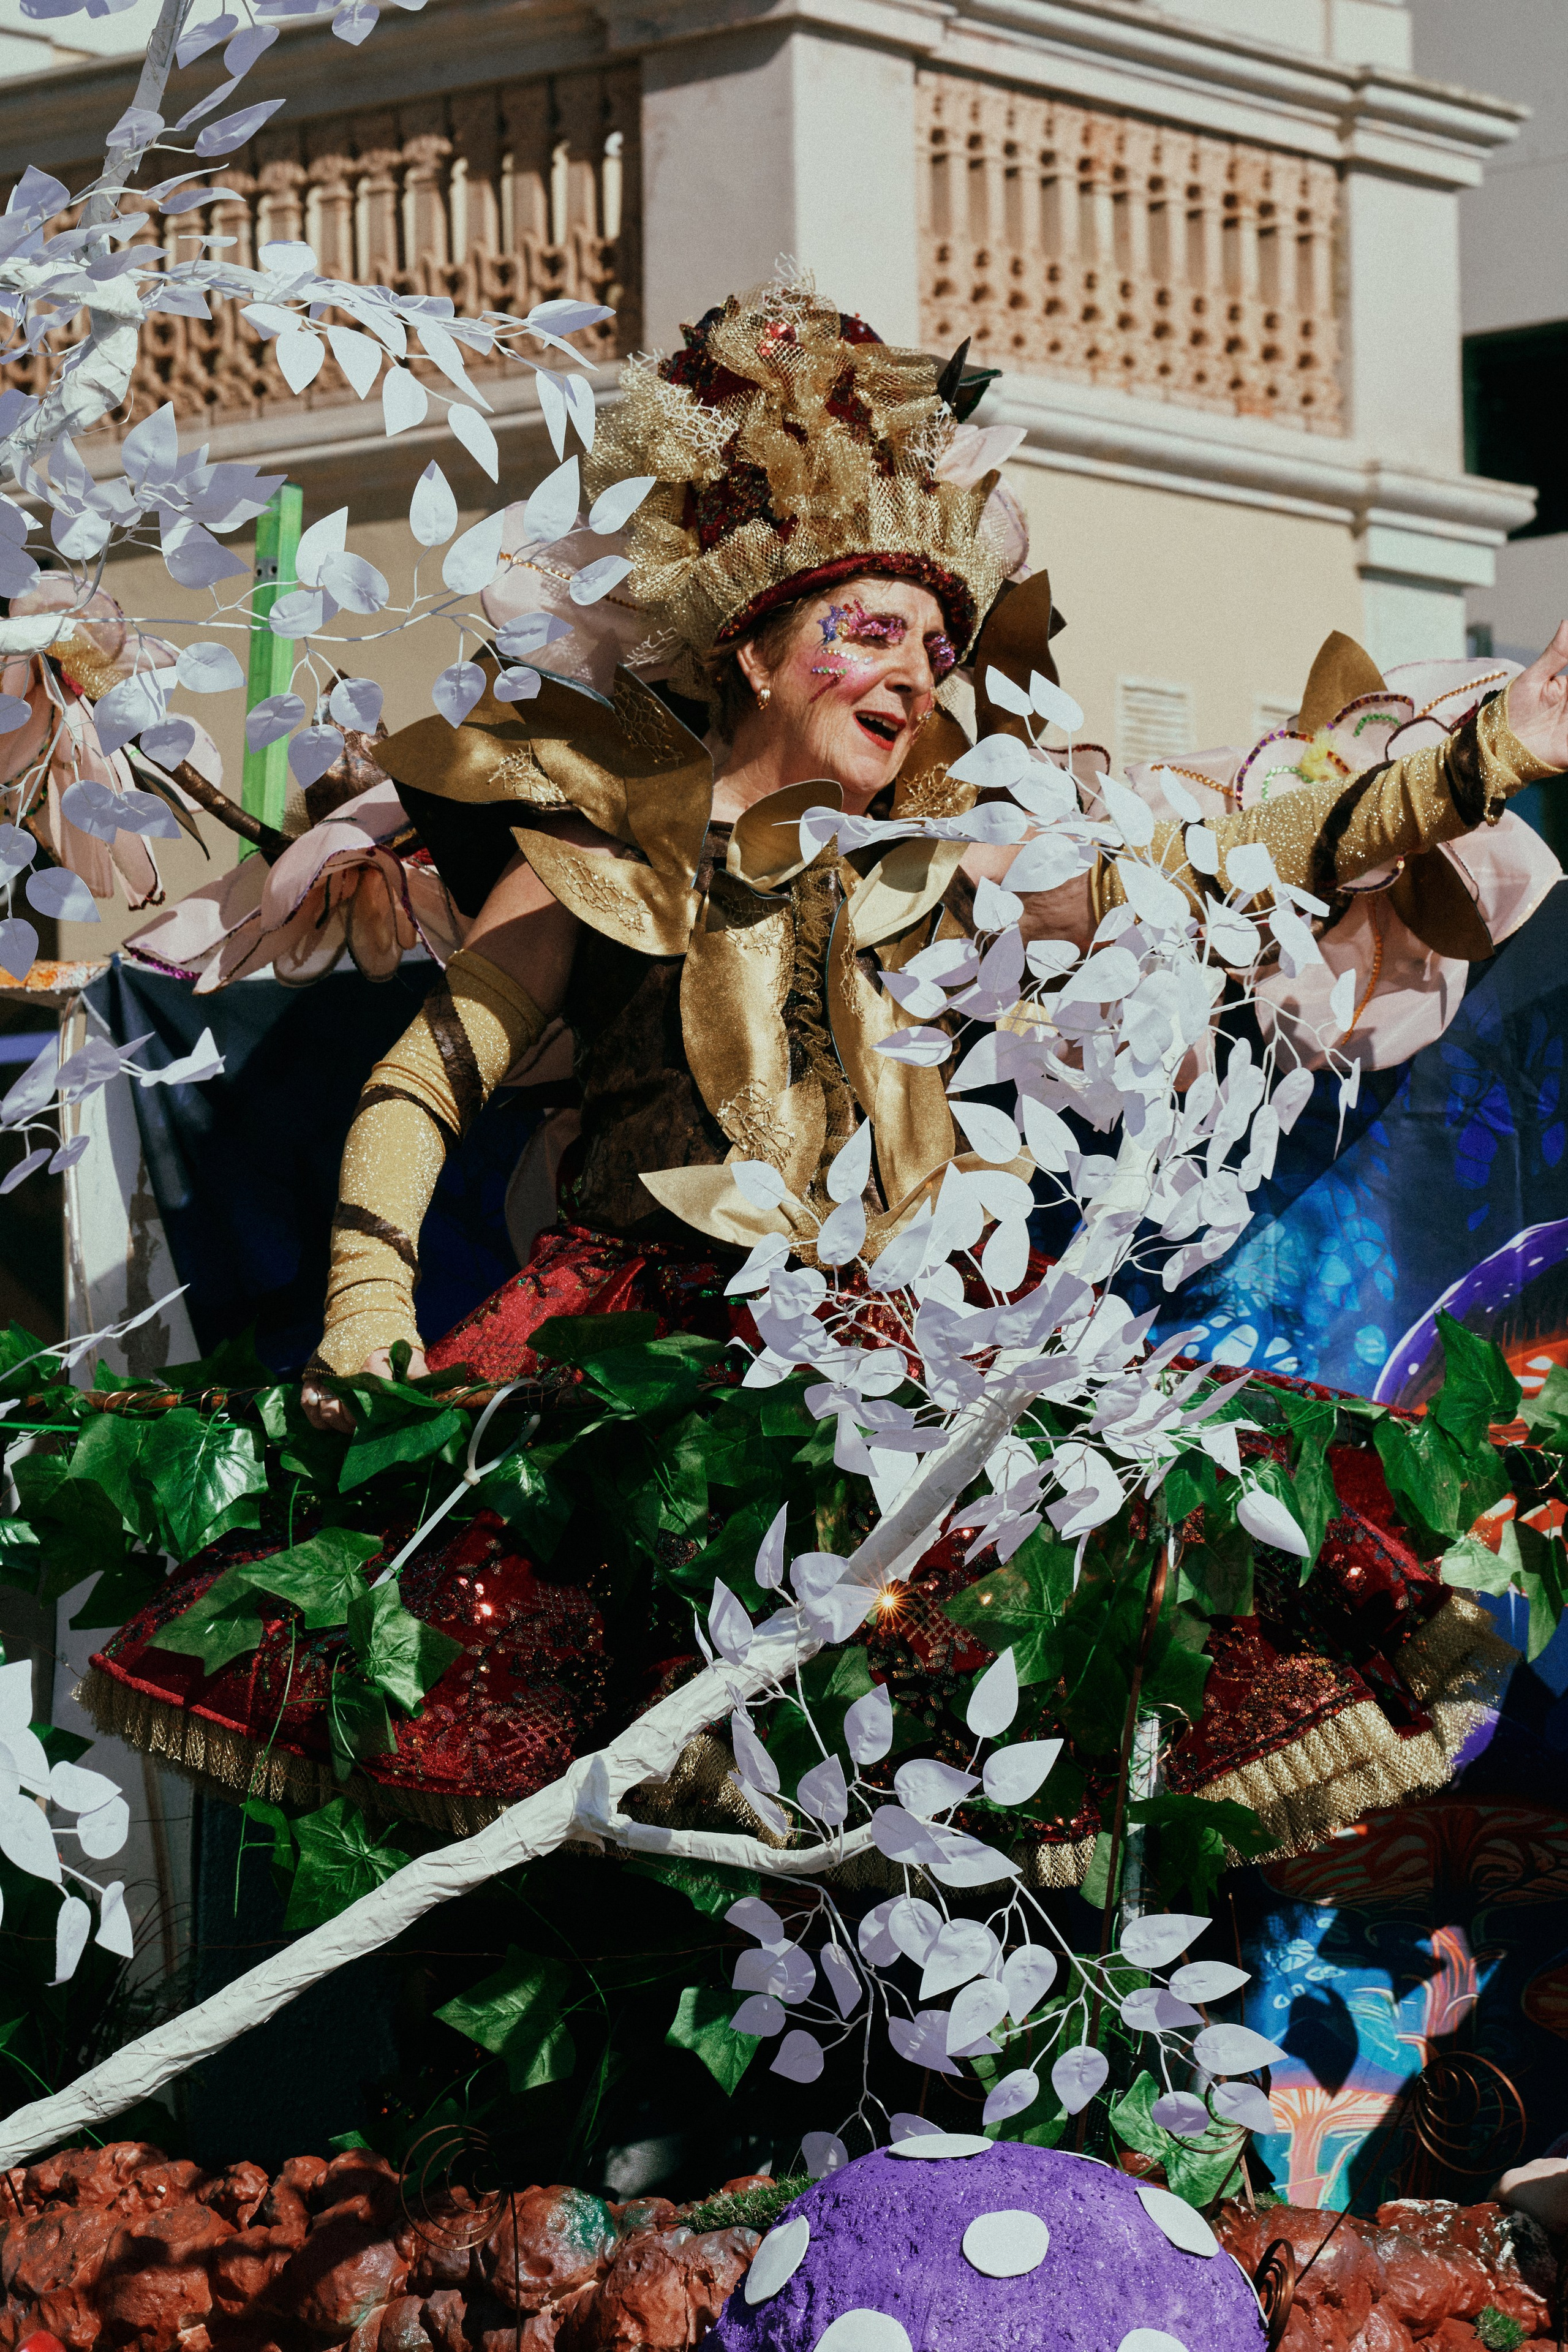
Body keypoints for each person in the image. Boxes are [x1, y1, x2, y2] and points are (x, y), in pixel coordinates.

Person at [86, 277, 1568, 1866]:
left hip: (904, 1351)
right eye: (872, 630)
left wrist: (1498, 757)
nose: (916, 673)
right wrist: (372, 1315)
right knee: (622, 1797)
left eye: (935, 643)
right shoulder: (616, 842)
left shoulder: (957, 853)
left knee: (1009, 1714)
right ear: (754, 645)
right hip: (636, 1365)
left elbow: (1224, 859)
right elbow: (424, 1081)